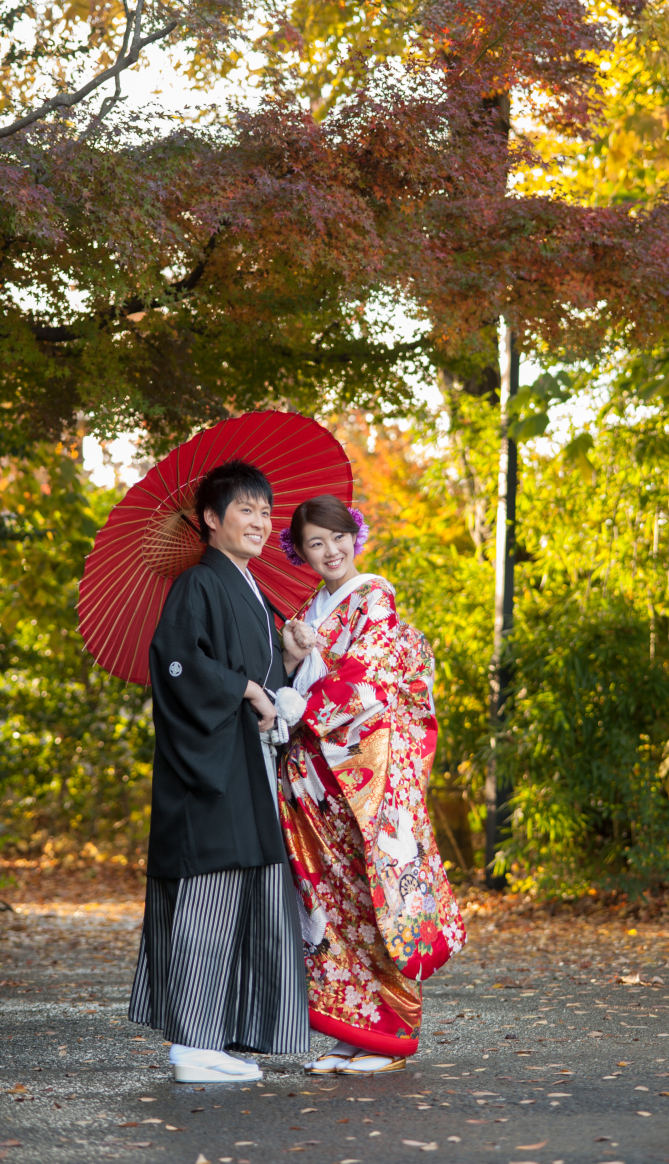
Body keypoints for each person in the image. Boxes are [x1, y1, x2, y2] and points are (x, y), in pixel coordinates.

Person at [128, 459, 313, 1083]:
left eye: (266, 511)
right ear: (210, 519)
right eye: (246, 510)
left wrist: (281, 666)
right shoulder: (197, 584)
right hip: (206, 771)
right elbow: (178, 666)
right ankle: (190, 1044)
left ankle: (217, 1036)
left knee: (240, 898)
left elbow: (260, 685)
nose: (261, 521)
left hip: (243, 764)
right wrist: (246, 689)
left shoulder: (251, 589)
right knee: (206, 898)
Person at [277, 495, 466, 1076]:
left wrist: (302, 702)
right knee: (331, 907)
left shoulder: (375, 600)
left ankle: (394, 1031)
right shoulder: (309, 611)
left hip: (364, 776)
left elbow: (366, 682)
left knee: (373, 898)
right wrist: (289, 658)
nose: (330, 551)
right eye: (315, 543)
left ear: (354, 536)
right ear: (301, 552)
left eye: (337, 537)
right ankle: (355, 1032)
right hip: (315, 782)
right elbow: (292, 678)